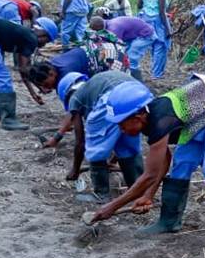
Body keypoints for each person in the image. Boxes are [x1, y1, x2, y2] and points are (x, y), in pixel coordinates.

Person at [91, 74, 205, 254]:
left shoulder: (160, 120)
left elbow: (149, 176)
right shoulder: (151, 120)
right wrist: (148, 195)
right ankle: (169, 221)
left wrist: (111, 207)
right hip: (201, 113)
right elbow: (164, 161)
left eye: (122, 124)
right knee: (182, 163)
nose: (121, 130)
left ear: (138, 116)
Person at [37, 71, 146, 203]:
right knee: (128, 145)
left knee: (95, 146)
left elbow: (80, 141)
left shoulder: (75, 98)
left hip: (112, 97)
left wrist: (75, 170)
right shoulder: (93, 85)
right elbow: (118, 134)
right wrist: (112, 162)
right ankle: (139, 191)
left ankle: (101, 194)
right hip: (136, 92)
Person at [0, 16, 58, 130]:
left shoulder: (25, 34)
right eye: (47, 41)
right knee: (2, 76)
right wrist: (39, 85)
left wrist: (34, 93)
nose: (44, 45)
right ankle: (8, 119)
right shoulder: (31, 39)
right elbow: (24, 69)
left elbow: (22, 69)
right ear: (43, 33)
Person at [89, 15, 155, 81]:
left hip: (145, 34)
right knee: (126, 56)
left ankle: (138, 81)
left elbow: (117, 48)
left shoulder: (113, 29)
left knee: (131, 58)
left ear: (99, 28)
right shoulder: (107, 23)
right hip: (133, 35)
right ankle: (129, 77)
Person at [136, 0, 172, 80]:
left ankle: (155, 73)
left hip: (145, 22)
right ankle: (156, 75)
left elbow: (139, 5)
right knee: (160, 48)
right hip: (158, 23)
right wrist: (167, 29)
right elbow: (162, 13)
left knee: (152, 47)